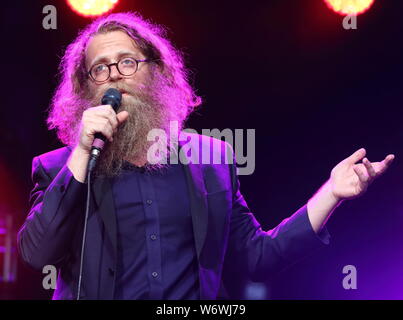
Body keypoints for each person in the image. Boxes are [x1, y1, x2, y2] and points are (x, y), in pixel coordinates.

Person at [17, 12, 394, 300]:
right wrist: (82, 153)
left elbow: (256, 258)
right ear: (86, 87)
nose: (115, 75)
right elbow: (38, 254)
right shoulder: (56, 168)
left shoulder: (212, 160)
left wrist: (331, 192)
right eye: (100, 68)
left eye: (127, 62)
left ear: (156, 72)